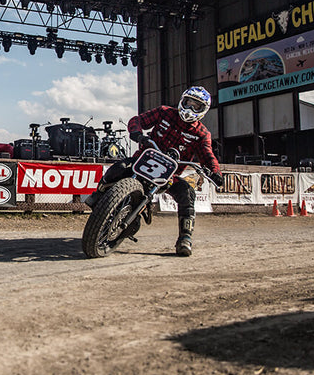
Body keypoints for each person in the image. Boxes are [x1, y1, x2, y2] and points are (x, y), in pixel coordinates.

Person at [85, 86, 224, 257]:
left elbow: (207, 155)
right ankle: (98, 196)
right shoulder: (165, 112)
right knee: (118, 168)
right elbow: (138, 120)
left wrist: (215, 172)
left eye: (196, 106)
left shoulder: (202, 133)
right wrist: (138, 133)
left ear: (203, 110)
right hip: (141, 160)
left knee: (187, 193)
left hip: (169, 176)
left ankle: (185, 238)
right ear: (182, 101)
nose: (190, 108)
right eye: (189, 102)